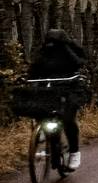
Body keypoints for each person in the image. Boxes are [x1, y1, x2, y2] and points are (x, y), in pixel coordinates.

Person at [28, 29, 88, 170]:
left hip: (69, 88)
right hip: (49, 88)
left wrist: (67, 49)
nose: (51, 45)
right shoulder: (43, 52)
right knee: (39, 110)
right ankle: (44, 138)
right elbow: (34, 68)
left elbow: (78, 63)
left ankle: (74, 152)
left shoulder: (68, 51)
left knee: (67, 119)